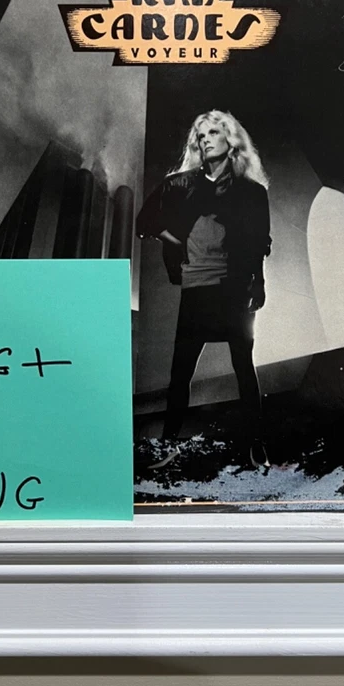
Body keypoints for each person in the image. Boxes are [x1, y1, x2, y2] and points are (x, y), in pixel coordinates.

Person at [136, 109, 271, 471]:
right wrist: (177, 243)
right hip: (197, 288)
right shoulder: (180, 185)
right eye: (201, 135)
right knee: (180, 373)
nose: (205, 140)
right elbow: (145, 221)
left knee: (244, 366)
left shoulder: (252, 192)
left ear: (231, 139)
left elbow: (260, 241)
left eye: (213, 133)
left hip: (234, 288)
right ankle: (168, 445)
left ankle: (255, 443)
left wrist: (259, 282)